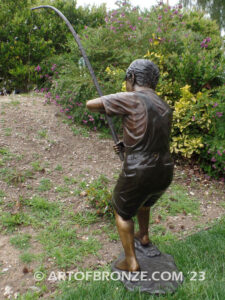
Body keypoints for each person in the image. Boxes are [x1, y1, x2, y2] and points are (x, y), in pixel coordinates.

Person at [86, 59, 174, 272]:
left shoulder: (132, 98)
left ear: (132, 78)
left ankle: (131, 262)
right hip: (165, 169)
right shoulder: (164, 105)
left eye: (127, 80)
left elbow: (91, 104)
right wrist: (127, 145)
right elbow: (153, 135)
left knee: (122, 212)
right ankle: (143, 236)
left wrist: (113, 100)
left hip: (140, 170)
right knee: (145, 201)